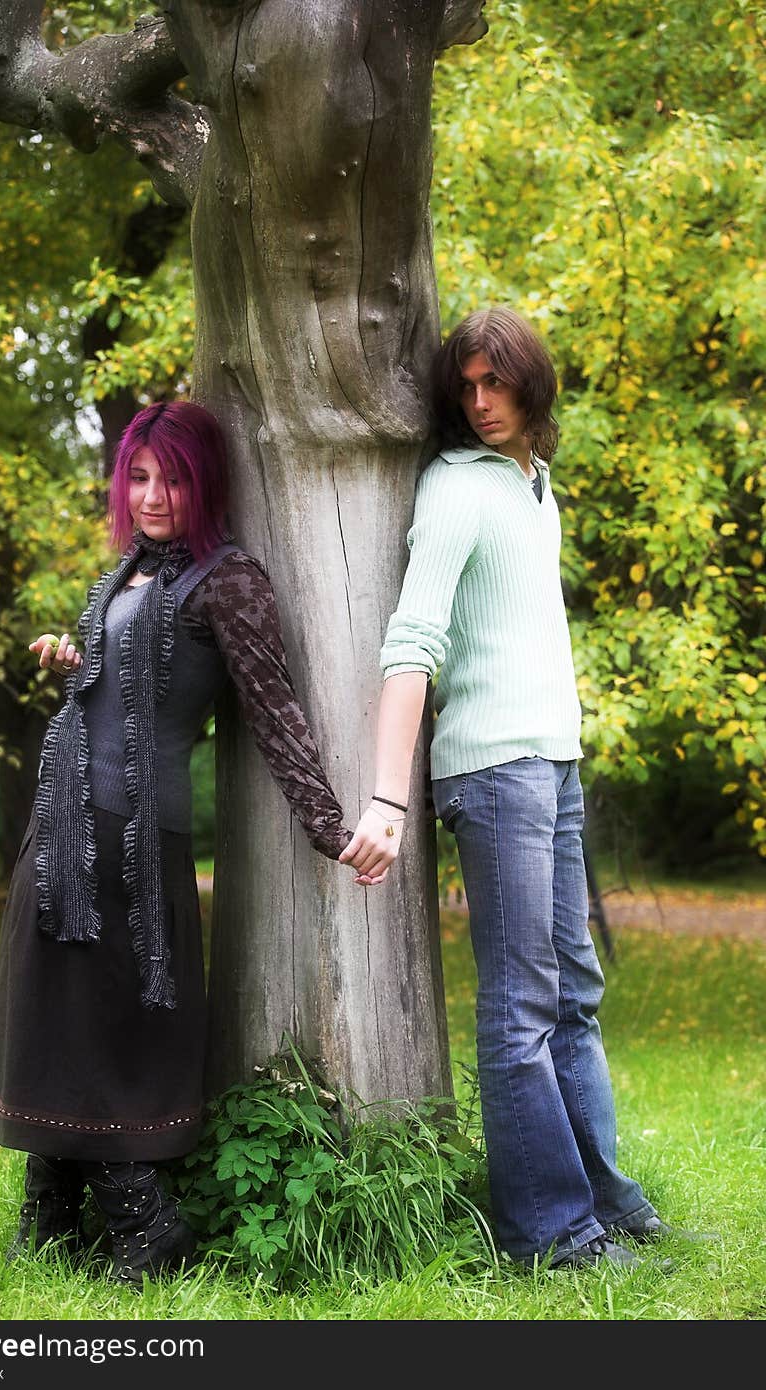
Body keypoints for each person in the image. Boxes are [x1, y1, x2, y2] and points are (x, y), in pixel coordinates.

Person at [0, 400, 352, 1287]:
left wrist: (331, 823)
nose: (152, 496)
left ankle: (144, 1222)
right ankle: (55, 1207)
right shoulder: (124, 578)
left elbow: (274, 711)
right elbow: (112, 690)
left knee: (105, 1019)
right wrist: (74, 662)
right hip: (65, 818)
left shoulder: (228, 580)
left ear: (205, 483)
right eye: (139, 477)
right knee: (49, 1009)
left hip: (134, 840)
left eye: (172, 478)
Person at [339, 307, 674, 1271]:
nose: (481, 402)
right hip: (494, 774)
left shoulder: (536, 487)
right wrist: (388, 801)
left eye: (497, 383)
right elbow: (412, 642)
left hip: (553, 764)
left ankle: (608, 1200)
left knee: (575, 992)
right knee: (522, 1005)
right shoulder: (455, 487)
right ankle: (550, 1233)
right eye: (468, 387)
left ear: (534, 384)